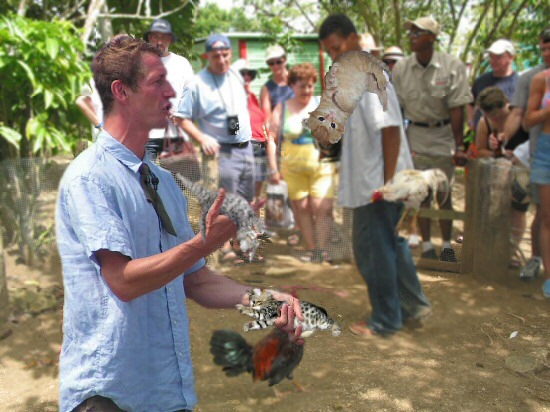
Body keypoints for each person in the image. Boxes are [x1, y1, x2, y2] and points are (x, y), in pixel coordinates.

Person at [55, 34, 302, 412]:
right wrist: (205, 242)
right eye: (159, 81)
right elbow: (123, 281)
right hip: (109, 394)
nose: (173, 90)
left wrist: (269, 302)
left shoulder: (163, 181)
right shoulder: (89, 178)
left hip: (166, 390)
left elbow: (195, 279)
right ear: (121, 91)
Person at [318, 14, 432, 337]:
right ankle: (413, 307)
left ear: (354, 39)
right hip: (373, 181)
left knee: (372, 250)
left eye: (338, 47)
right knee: (392, 246)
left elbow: (392, 131)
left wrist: (387, 181)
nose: (335, 55)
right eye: (329, 51)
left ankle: (385, 318)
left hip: (376, 185)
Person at [392, 16, 473, 262]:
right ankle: (427, 246)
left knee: (444, 194)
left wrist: (459, 146)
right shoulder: (402, 68)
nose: (412, 37)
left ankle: (447, 246)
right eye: (411, 33)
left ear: (432, 38)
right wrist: (401, 146)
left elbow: (457, 109)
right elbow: (398, 111)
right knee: (421, 195)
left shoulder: (451, 66)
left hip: (443, 136)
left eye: (418, 33)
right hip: (415, 137)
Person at [175, 34, 257, 264]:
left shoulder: (236, 77)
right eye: (215, 55)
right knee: (220, 203)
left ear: (230, 54)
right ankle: (219, 251)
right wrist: (202, 138)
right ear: (207, 56)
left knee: (245, 200)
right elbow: (181, 118)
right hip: (219, 153)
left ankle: (241, 243)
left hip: (245, 148)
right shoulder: (197, 83)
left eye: (225, 54)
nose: (221, 59)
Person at [269, 63, 336, 263]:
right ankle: (312, 248)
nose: (306, 90)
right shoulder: (282, 107)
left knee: (321, 207)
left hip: (321, 166)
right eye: (301, 86)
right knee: (302, 208)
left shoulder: (322, 105)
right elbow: (271, 139)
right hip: (292, 168)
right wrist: (273, 168)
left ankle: (322, 249)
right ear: (291, 86)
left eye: (309, 85)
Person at [504, 26, 550, 281]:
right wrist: (503, 137)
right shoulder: (531, 78)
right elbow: (521, 117)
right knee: (543, 213)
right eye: (543, 47)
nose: (545, 53)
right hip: (539, 153)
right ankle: (535, 260)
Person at [474, 87, 529, 267]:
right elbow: (479, 150)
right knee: (493, 209)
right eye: (492, 117)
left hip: (522, 173)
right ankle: (490, 249)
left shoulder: (521, 116)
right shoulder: (485, 123)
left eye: (499, 115)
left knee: (518, 209)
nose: (496, 120)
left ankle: (511, 252)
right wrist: (496, 153)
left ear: (507, 105)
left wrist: (518, 155)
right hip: (496, 174)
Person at [143, 19, 194, 159]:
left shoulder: (182, 64)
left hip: (176, 135)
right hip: (147, 134)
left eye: (164, 38)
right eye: (155, 37)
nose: (159, 42)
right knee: (147, 177)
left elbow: (190, 93)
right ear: (149, 38)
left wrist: (181, 114)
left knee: (178, 179)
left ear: (170, 40)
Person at [232, 59, 279, 203]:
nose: (247, 77)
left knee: (256, 194)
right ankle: (243, 224)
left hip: (260, 146)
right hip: (246, 146)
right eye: (243, 74)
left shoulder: (251, 96)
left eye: (250, 74)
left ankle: (254, 224)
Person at [524, 64, 550, 298]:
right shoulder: (541, 79)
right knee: (546, 216)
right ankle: (549, 278)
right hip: (546, 149)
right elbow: (528, 119)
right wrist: (547, 112)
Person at [468, 39, 518, 133]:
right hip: (481, 138)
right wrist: (471, 121)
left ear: (511, 58)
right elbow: (470, 102)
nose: (494, 61)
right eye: (491, 57)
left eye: (499, 57)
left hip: (508, 138)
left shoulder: (519, 83)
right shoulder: (481, 80)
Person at [260, 44, 294, 120]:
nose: (275, 66)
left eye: (278, 62)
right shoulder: (266, 89)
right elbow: (267, 118)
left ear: (285, 60)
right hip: (279, 130)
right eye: (271, 63)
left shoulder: (297, 80)